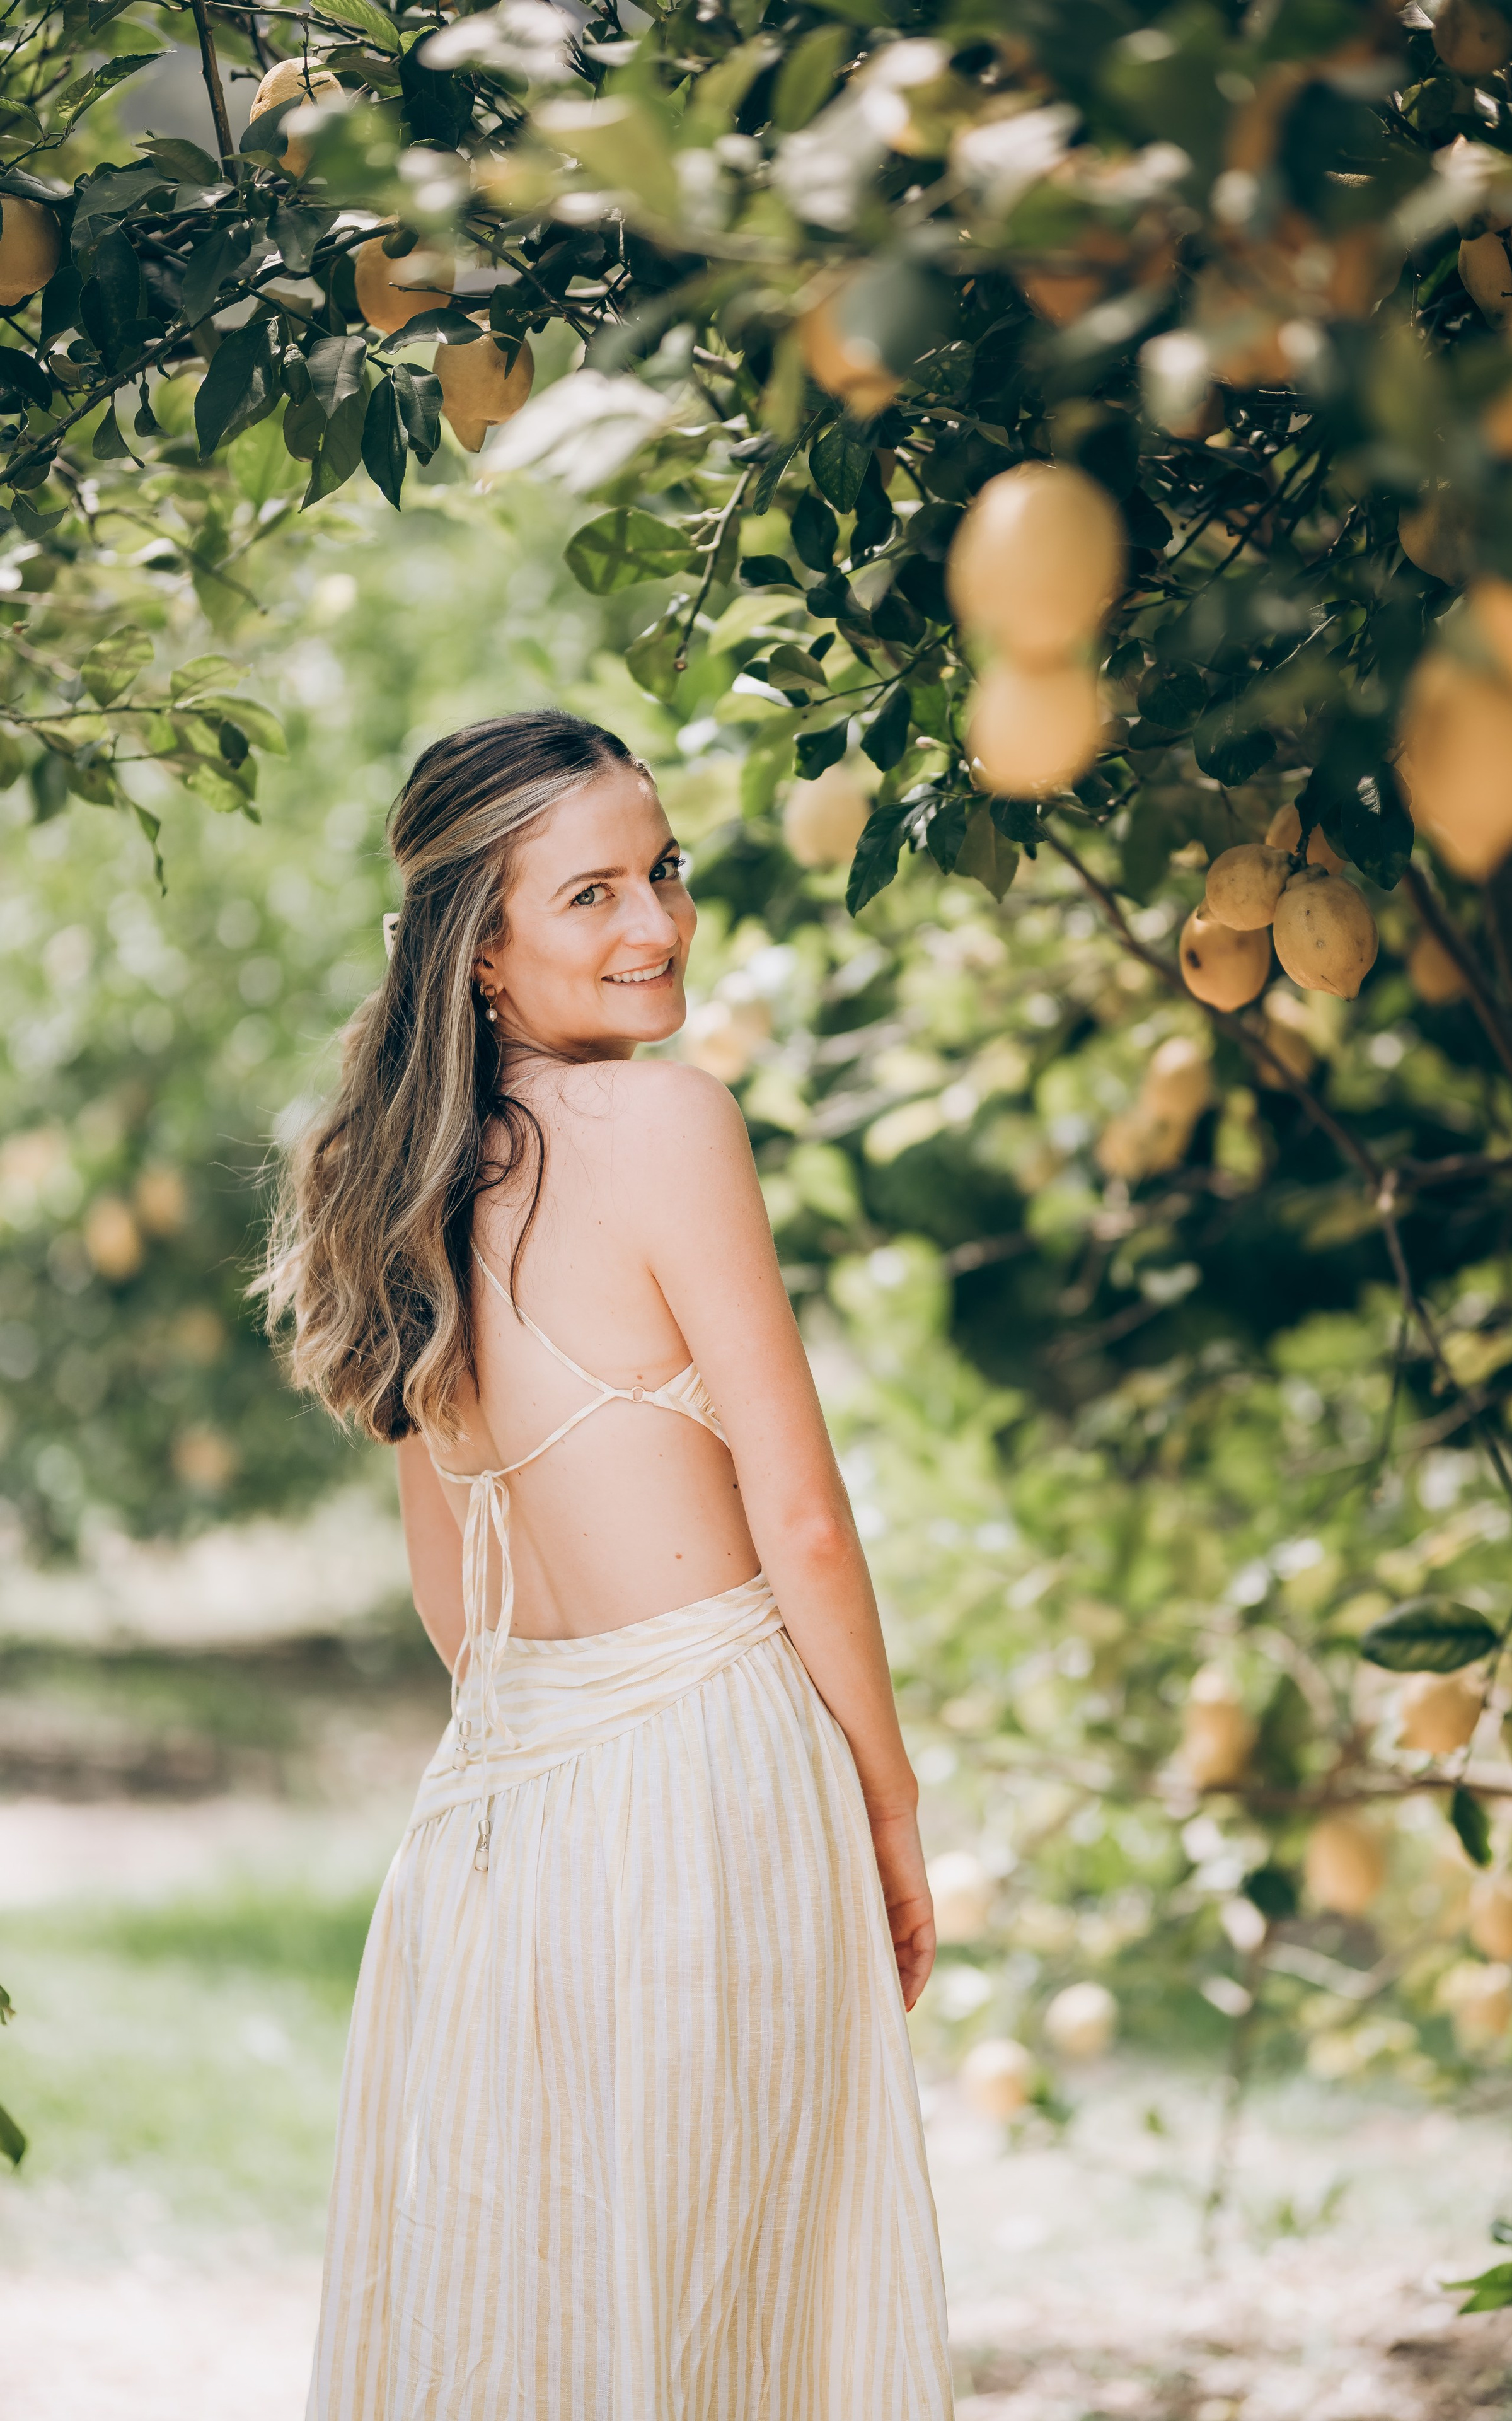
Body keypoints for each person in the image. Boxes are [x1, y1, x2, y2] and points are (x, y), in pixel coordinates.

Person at [260, 710, 954, 2418]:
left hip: (493, 1809)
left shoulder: (385, 1177)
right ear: (480, 950)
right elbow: (802, 1519)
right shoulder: (666, 1125)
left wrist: (550, 1765)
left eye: (664, 871)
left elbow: (450, 1592)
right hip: (711, 1768)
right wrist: (885, 1804)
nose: (657, 923)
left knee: (534, 2312)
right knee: (736, 2312)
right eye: (591, 894)